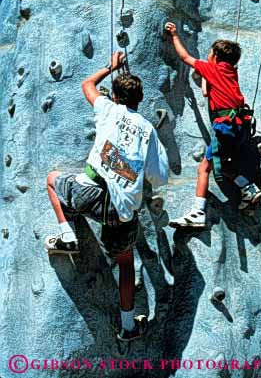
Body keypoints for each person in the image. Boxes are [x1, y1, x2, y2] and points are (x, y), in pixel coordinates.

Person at [44, 51, 169, 340]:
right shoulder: (149, 130)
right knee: (126, 264)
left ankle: (68, 234)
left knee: (52, 180)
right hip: (121, 212)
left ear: (114, 95)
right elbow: (159, 177)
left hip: (89, 194)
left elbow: (87, 85)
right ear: (139, 99)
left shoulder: (107, 109)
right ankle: (128, 327)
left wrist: (110, 67)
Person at [165, 22, 261, 228]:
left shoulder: (213, 69)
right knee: (221, 165)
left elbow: (185, 57)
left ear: (216, 58)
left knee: (204, 169)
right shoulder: (230, 73)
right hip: (240, 129)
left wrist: (174, 35)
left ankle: (197, 213)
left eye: (210, 53)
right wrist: (203, 81)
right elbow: (208, 92)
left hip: (225, 128)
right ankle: (248, 187)